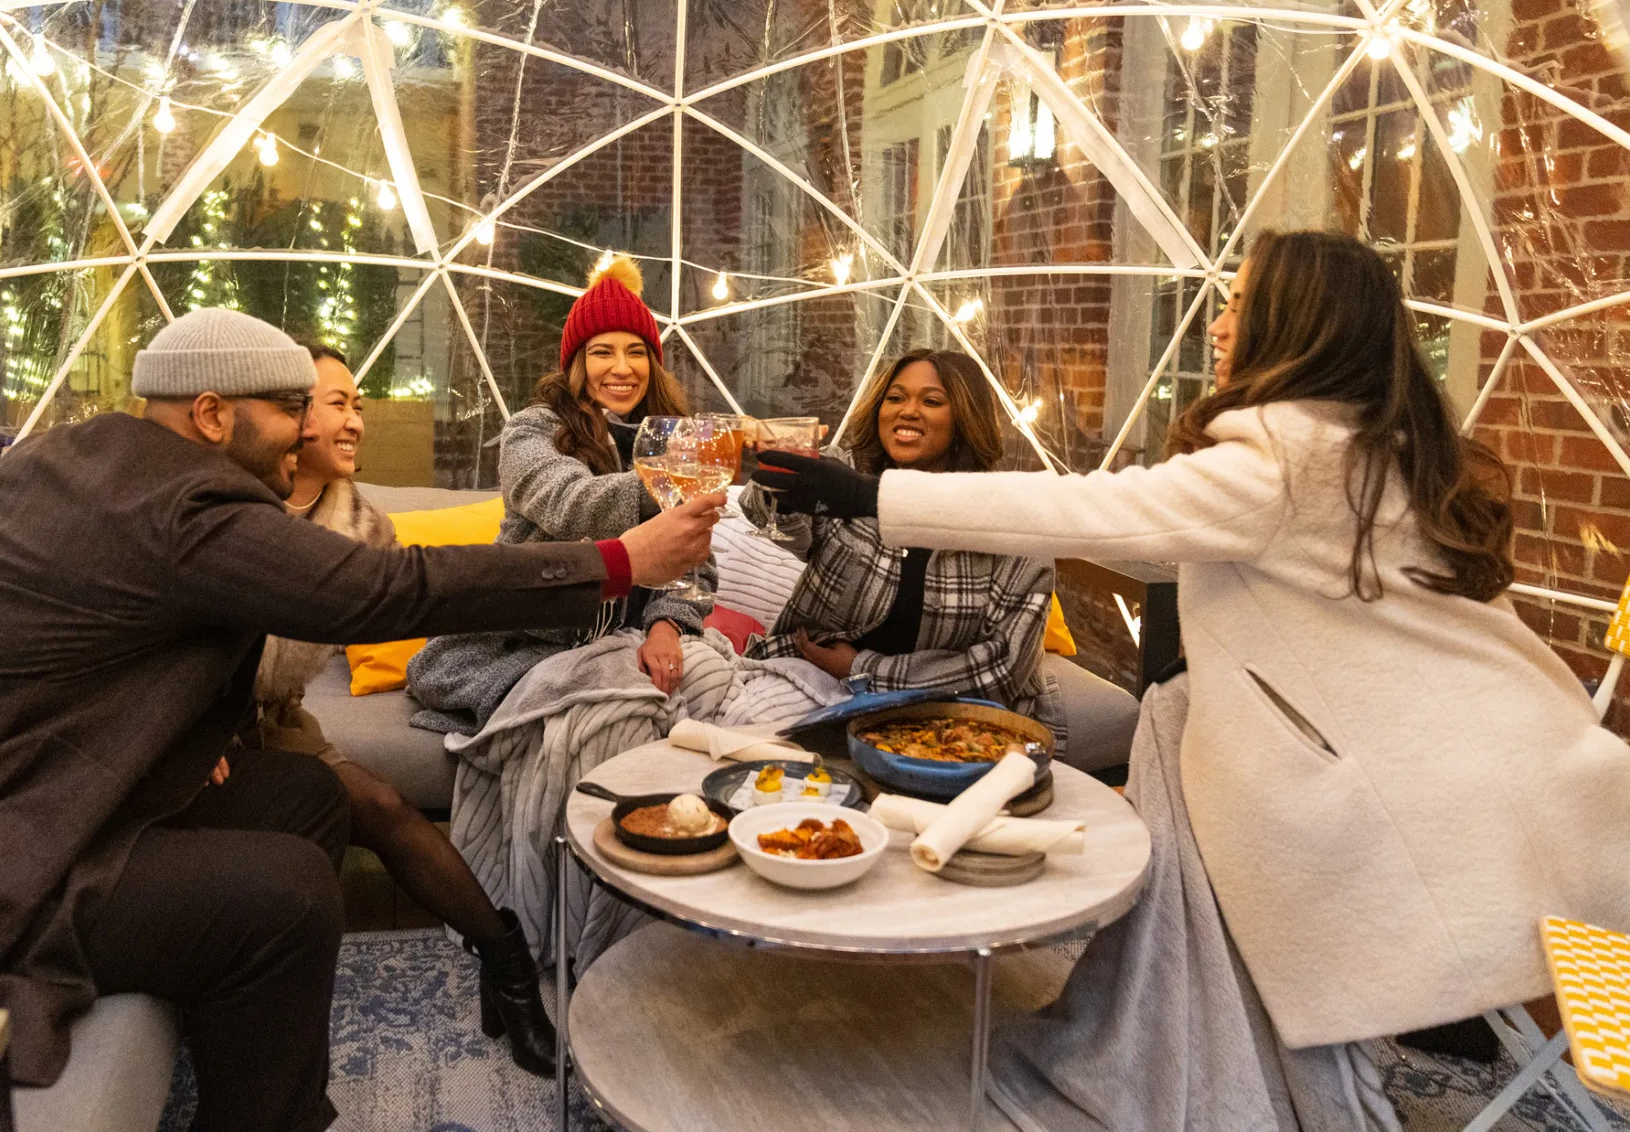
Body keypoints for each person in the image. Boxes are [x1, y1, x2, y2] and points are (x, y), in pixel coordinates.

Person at [0, 308, 720, 1132]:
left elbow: (89, 651)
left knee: (304, 794)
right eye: (291, 406)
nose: (306, 426)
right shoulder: (180, 504)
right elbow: (385, 591)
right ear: (209, 412)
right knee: (284, 891)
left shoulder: (70, 460)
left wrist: (184, 745)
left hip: (48, 783)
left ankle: (243, 1031)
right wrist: (621, 560)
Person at [757, 231, 1630, 1055]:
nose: (1218, 323)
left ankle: (1250, 1028)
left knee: (1188, 733)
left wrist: (874, 496)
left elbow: (1101, 514)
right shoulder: (1381, 447)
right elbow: (1148, 535)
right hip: (1526, 767)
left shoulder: (1289, 458)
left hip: (1441, 803)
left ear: (1292, 327)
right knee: (1181, 719)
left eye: (1238, 303)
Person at [251, 341, 557, 1076]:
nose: (356, 420)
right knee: (334, 825)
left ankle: (507, 965)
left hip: (274, 725)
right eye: (337, 404)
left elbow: (434, 592)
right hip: (201, 730)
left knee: (380, 804)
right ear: (291, 415)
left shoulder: (360, 526)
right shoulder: (230, 507)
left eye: (359, 405)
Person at [409, 255, 714, 730]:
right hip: (522, 643)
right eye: (602, 352)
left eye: (636, 351)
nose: (622, 368)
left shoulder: (667, 437)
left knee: (716, 689)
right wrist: (672, 479)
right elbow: (570, 504)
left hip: (627, 639)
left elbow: (695, 560)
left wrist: (666, 627)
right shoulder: (531, 432)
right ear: (575, 362)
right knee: (614, 714)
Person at [743, 350, 1063, 745]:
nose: (907, 411)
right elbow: (781, 523)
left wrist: (861, 668)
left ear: (966, 418)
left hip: (951, 720)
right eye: (895, 398)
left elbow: (1001, 670)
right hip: (814, 686)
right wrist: (780, 482)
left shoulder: (1012, 524)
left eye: (931, 401)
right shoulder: (848, 478)